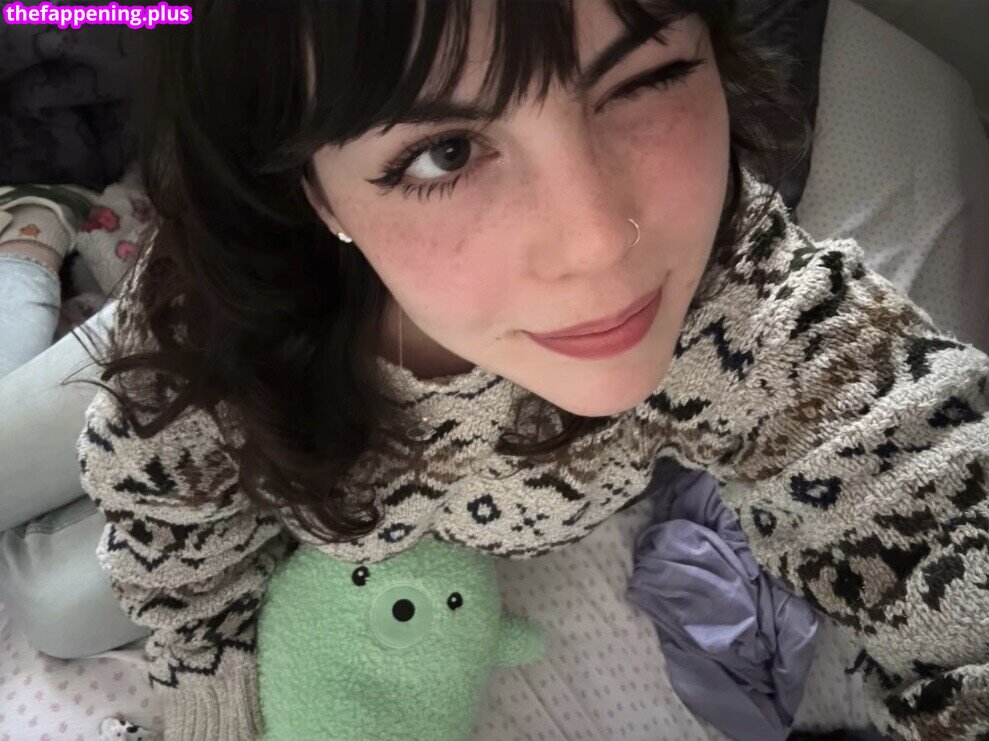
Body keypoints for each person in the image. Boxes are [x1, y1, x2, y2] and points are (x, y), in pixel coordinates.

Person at [4, 1, 988, 739]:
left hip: (318, 514)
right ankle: (31, 240)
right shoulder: (211, 317)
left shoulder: (742, 299)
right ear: (318, 191)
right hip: (219, 329)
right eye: (443, 152)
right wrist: (213, 692)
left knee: (56, 607)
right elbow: (158, 498)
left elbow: (918, 485)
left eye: (642, 78)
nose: (598, 242)